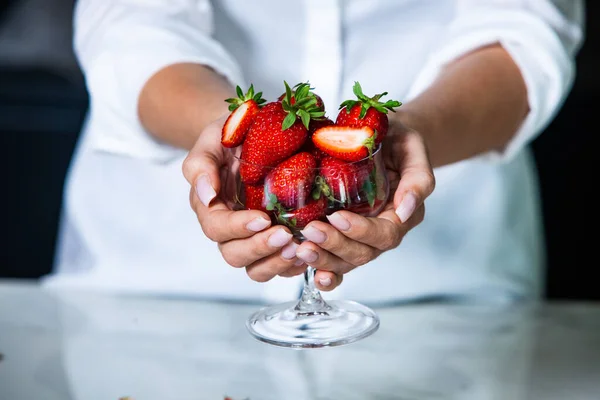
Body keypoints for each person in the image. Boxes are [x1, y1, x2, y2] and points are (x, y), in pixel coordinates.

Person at [42, 0, 584, 305]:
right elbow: (133, 24)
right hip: (152, 280)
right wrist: (226, 133)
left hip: (448, 287)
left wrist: (404, 136)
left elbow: (526, 28)